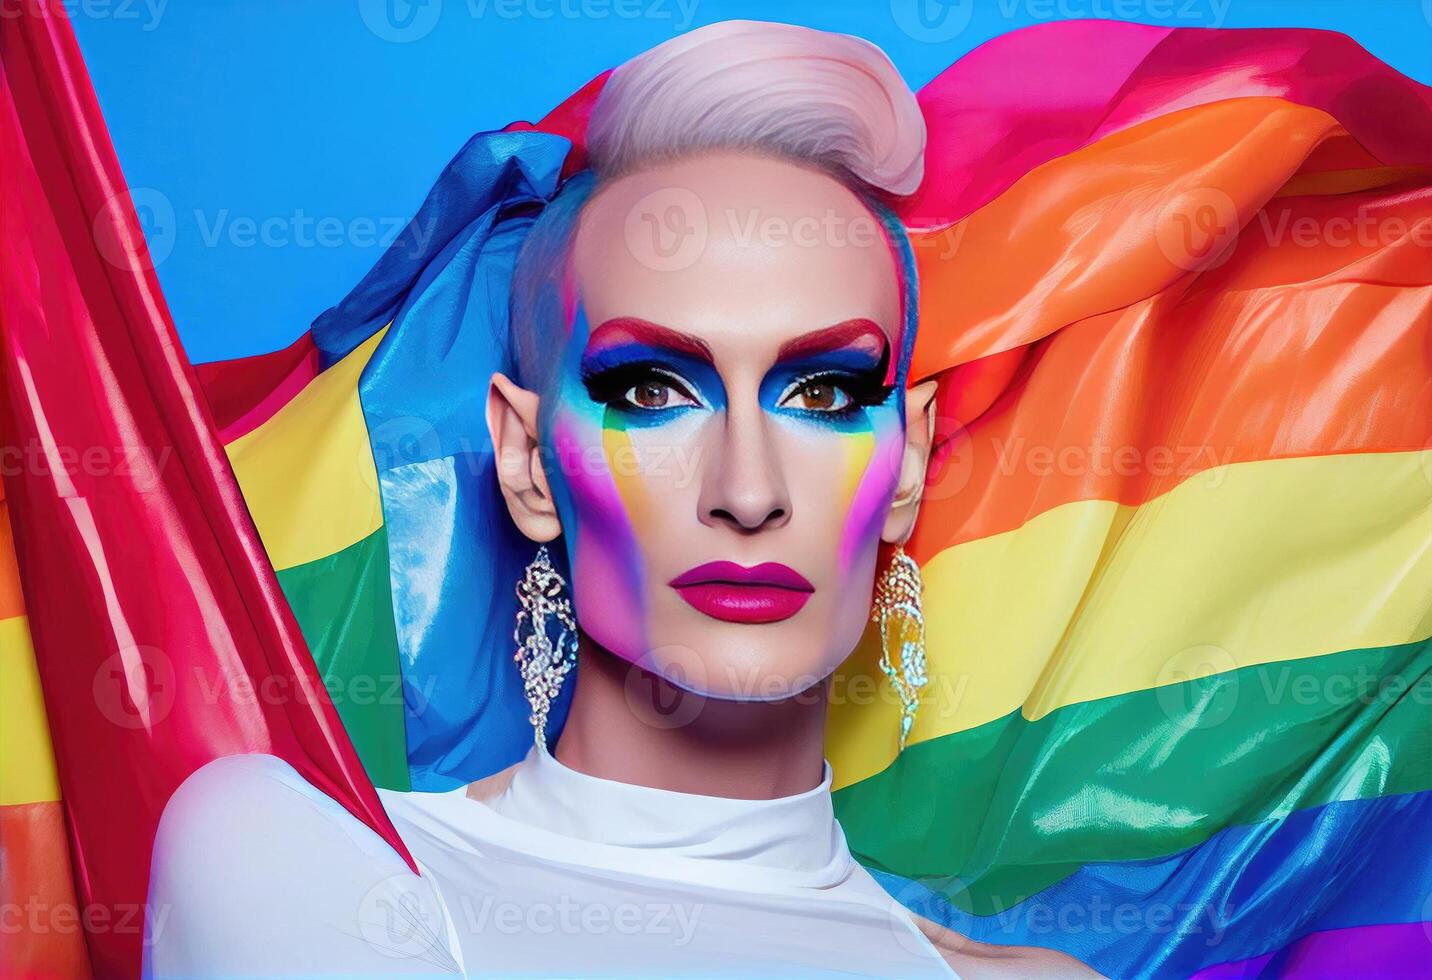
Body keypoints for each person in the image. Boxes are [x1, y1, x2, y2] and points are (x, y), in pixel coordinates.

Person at [143, 19, 1097, 980]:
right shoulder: (308, 866)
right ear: (525, 462)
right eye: (651, 392)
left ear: (906, 466)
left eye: (823, 394)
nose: (748, 492)